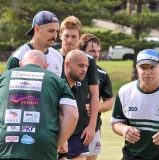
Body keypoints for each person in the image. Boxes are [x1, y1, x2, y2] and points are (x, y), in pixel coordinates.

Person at [0, 50, 79, 160]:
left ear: (20, 64)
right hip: (42, 147)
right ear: (46, 66)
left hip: (3, 146)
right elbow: (72, 116)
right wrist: (56, 145)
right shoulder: (58, 81)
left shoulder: (1, 78)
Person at [58, 16, 99, 160]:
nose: (70, 40)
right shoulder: (52, 58)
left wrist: (92, 126)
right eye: (66, 36)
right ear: (60, 35)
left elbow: (94, 94)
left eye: (74, 36)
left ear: (79, 37)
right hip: (56, 129)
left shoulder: (88, 61)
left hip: (79, 129)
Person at [78, 33, 114, 160]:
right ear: (81, 51)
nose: (96, 54)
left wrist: (96, 107)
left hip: (93, 127)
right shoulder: (70, 71)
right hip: (72, 126)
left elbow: (109, 102)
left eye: (98, 51)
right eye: (92, 51)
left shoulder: (102, 74)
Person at [6, 10, 63, 77]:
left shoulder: (58, 57)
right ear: (37, 29)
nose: (55, 36)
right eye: (51, 31)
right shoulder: (18, 57)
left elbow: (61, 86)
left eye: (56, 31)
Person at [58, 49, 89, 160]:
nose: (84, 70)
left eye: (86, 66)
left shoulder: (73, 87)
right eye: (80, 65)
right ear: (67, 64)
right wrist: (62, 140)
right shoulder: (59, 85)